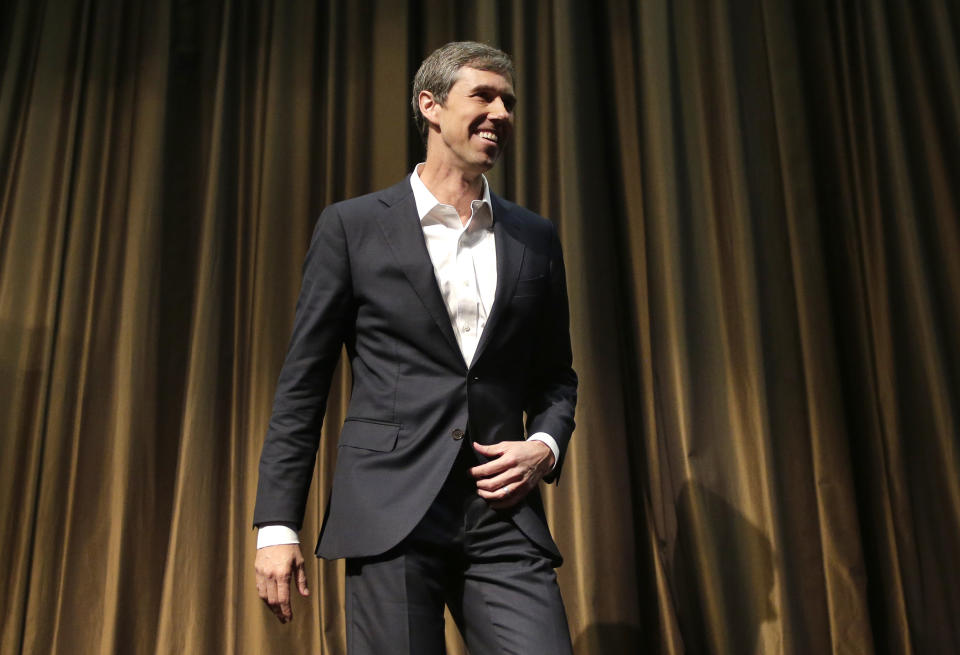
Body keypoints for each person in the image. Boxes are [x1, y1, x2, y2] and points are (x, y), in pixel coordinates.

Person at [253, 41, 578, 655]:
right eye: (483, 95)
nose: (501, 113)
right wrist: (276, 525)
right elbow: (303, 386)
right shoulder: (353, 226)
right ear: (429, 106)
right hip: (390, 510)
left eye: (508, 101)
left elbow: (558, 377)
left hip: (500, 517)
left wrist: (544, 445)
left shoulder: (534, 235)